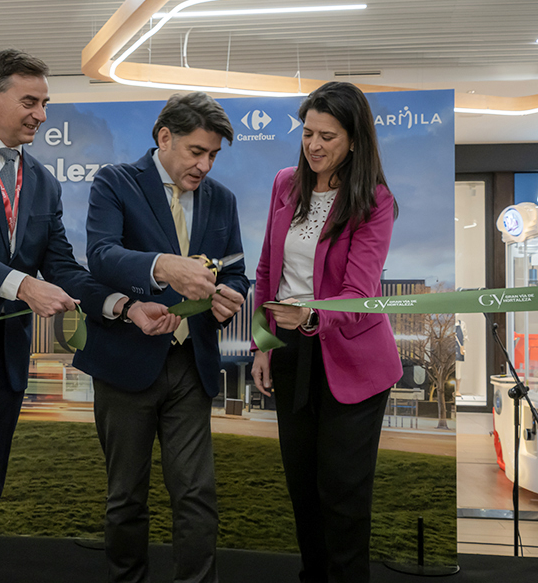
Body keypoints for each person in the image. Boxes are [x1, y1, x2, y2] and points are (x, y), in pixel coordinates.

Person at [0, 49, 172, 583]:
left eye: (45, 103)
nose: (41, 114)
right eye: (30, 101)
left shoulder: (42, 181)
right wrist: (24, 286)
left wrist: (126, 306)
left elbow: (63, 267)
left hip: (3, 358)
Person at [73, 92, 249, 583]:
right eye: (196, 151)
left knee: (196, 494)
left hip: (192, 365)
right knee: (126, 495)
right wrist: (162, 267)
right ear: (164, 137)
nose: (205, 165)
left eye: (213, 155)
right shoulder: (114, 182)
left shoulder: (223, 200)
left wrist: (230, 294)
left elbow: (236, 273)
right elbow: (103, 255)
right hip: (125, 364)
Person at [250, 81, 403, 583]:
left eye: (328, 136)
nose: (313, 145)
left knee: (342, 491)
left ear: (355, 140)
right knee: (303, 485)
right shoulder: (284, 183)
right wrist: (263, 344)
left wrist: (313, 316)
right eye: (308, 133)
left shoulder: (374, 199)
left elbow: (360, 293)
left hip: (353, 358)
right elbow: (267, 271)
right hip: (291, 349)